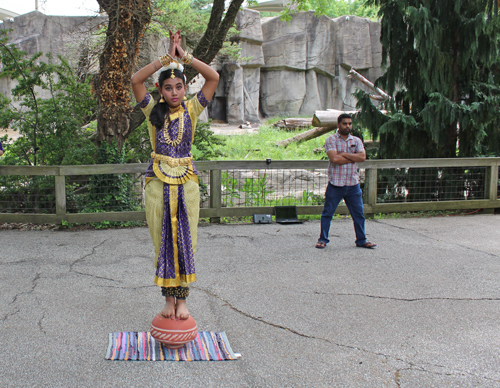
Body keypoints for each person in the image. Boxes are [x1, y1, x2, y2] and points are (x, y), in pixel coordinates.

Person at [131, 30, 219, 320]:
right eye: (168, 88)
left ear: (185, 89)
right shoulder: (151, 112)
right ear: (160, 89)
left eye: (179, 87)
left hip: (187, 185)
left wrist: (186, 57)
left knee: (185, 242)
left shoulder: (192, 110)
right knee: (163, 243)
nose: (174, 93)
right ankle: (168, 300)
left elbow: (213, 78)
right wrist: (165, 59)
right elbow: (135, 80)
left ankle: (183, 302)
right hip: (157, 185)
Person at [315, 113, 376, 250]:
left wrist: (343, 154)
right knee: (328, 213)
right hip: (336, 184)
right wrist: (353, 157)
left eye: (350, 123)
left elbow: (362, 157)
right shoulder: (331, 140)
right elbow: (334, 159)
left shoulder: (356, 140)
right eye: (344, 123)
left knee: (358, 214)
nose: (348, 126)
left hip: (353, 184)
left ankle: (361, 240)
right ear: (338, 125)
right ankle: (322, 239)